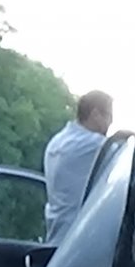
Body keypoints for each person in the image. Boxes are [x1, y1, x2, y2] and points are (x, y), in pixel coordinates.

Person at [43, 90, 114, 244]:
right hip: (77, 244)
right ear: (95, 114)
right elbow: (129, 151)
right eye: (108, 116)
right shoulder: (92, 145)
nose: (111, 122)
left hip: (54, 236)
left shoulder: (56, 142)